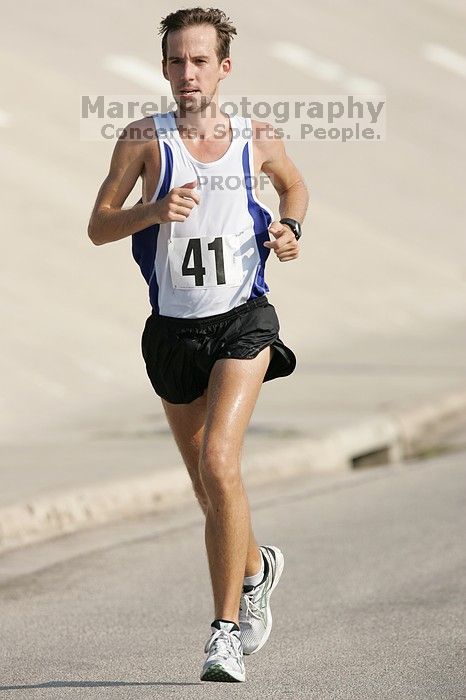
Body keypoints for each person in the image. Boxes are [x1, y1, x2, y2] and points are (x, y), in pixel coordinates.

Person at [88, 6, 309, 683]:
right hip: (173, 331)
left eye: (200, 60)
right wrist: (152, 210)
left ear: (224, 67)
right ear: (164, 68)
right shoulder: (143, 141)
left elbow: (293, 186)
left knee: (219, 459)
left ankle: (224, 634)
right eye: (177, 61)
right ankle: (256, 567)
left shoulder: (255, 136)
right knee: (208, 486)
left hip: (243, 318)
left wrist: (291, 229)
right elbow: (98, 225)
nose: (188, 72)